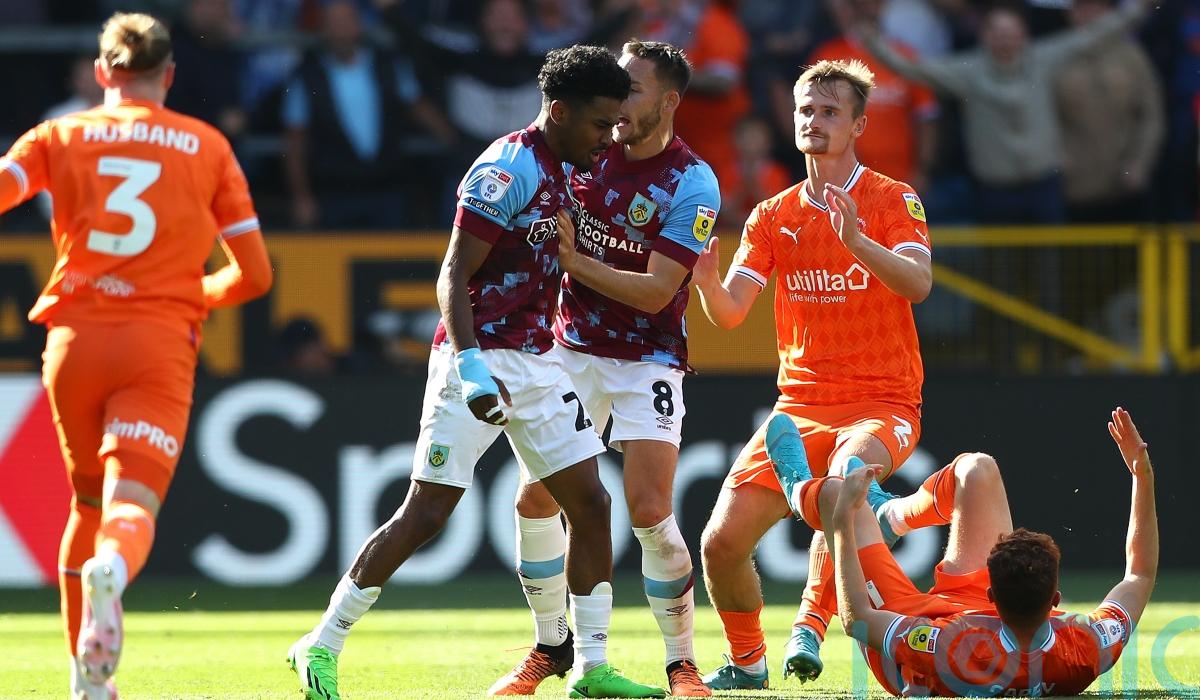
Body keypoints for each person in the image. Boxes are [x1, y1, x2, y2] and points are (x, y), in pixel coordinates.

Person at [287, 45, 665, 700]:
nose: (608, 137)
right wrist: (470, 366)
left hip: (539, 361)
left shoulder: (569, 165)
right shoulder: (506, 168)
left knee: (592, 504)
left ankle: (590, 666)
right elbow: (453, 274)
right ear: (558, 111)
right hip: (479, 354)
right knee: (427, 511)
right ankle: (321, 642)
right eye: (599, 124)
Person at [0, 13, 272, 699]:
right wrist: (192, 295)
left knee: (87, 503)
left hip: (74, 341)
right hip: (157, 343)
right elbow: (256, 275)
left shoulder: (60, 133)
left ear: (102, 72)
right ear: (169, 75)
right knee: (131, 506)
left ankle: (87, 681)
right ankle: (114, 574)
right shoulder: (206, 146)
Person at [487, 39, 721, 698]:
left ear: (669, 102)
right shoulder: (587, 147)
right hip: (569, 348)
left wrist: (574, 262)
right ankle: (550, 647)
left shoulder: (692, 182)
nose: (617, 102)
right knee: (536, 498)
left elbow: (656, 292)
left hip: (649, 356)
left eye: (632, 90)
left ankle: (681, 663)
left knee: (649, 512)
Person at [692, 59, 933, 690]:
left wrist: (858, 244)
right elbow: (731, 312)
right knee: (719, 544)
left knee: (847, 480)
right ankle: (748, 663)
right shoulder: (772, 214)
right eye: (806, 110)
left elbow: (918, 283)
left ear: (858, 125)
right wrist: (705, 281)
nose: (814, 121)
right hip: (799, 407)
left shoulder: (892, 198)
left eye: (830, 112)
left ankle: (810, 623)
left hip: (881, 401)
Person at [766, 405, 1155, 697]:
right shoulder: (1083, 648)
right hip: (969, 620)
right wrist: (1142, 474)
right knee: (977, 470)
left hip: (906, 643)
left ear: (991, 593)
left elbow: (860, 620)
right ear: (1055, 599)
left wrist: (841, 525)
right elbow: (1138, 574)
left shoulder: (951, 648)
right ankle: (892, 515)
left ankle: (799, 491)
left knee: (839, 497)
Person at [856, 0, 1156, 225]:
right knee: (1001, 272)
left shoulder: (1044, 59)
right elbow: (914, 69)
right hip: (995, 192)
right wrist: (872, 42)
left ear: (1024, 34)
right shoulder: (969, 71)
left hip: (1044, 187)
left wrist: (1140, 6)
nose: (1005, 40)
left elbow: (1097, 34)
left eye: (1011, 33)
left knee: (1050, 268)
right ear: (985, 36)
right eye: (997, 33)